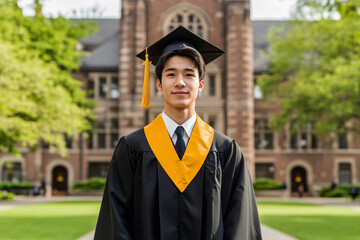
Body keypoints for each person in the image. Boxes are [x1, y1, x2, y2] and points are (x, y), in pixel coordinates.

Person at [94, 26, 262, 240]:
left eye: (189, 75)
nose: (180, 82)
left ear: (201, 85)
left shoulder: (225, 150)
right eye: (171, 74)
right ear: (159, 84)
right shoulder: (133, 148)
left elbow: (239, 223)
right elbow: (116, 221)